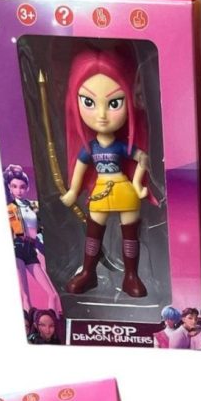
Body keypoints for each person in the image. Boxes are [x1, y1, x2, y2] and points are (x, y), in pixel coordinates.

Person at [59, 48, 151, 297]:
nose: (101, 115)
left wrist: (138, 183)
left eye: (114, 103)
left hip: (123, 189)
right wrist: (73, 191)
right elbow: (80, 167)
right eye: (89, 102)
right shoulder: (90, 148)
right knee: (93, 234)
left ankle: (131, 276)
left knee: (129, 234)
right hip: (101, 191)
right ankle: (88, 272)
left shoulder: (121, 146)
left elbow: (142, 158)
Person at [4, 164, 61, 315]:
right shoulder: (9, 208)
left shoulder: (34, 206)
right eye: (14, 186)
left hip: (31, 250)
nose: (18, 190)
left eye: (22, 187)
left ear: (27, 187)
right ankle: (29, 326)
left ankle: (52, 323)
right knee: (24, 297)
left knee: (53, 295)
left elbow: (43, 228)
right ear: (9, 188)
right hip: (17, 248)